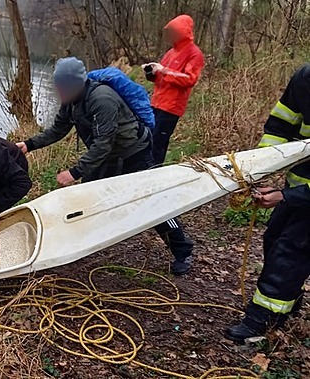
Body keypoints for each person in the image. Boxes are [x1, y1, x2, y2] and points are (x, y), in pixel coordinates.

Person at [16, 57, 194, 275]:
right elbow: (58, 130)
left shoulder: (102, 99)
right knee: (85, 198)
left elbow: (103, 143)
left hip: (134, 152)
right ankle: (79, 244)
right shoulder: (71, 100)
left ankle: (183, 251)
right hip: (108, 156)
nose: (59, 90)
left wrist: (75, 172)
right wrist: (29, 144)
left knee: (152, 202)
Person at [225, 64, 310, 343]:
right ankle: (288, 297)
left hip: (300, 195)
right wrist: (259, 168)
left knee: (290, 253)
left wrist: (286, 196)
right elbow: (281, 124)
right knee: (274, 240)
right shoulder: (305, 78)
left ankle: (262, 320)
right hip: (298, 188)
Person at [142, 14, 205, 165]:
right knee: (146, 139)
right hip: (156, 102)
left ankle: (154, 173)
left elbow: (189, 79)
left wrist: (164, 70)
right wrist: (151, 72)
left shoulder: (194, 53)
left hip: (171, 107)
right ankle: (144, 171)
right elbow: (160, 77)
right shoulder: (171, 52)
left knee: (158, 143)